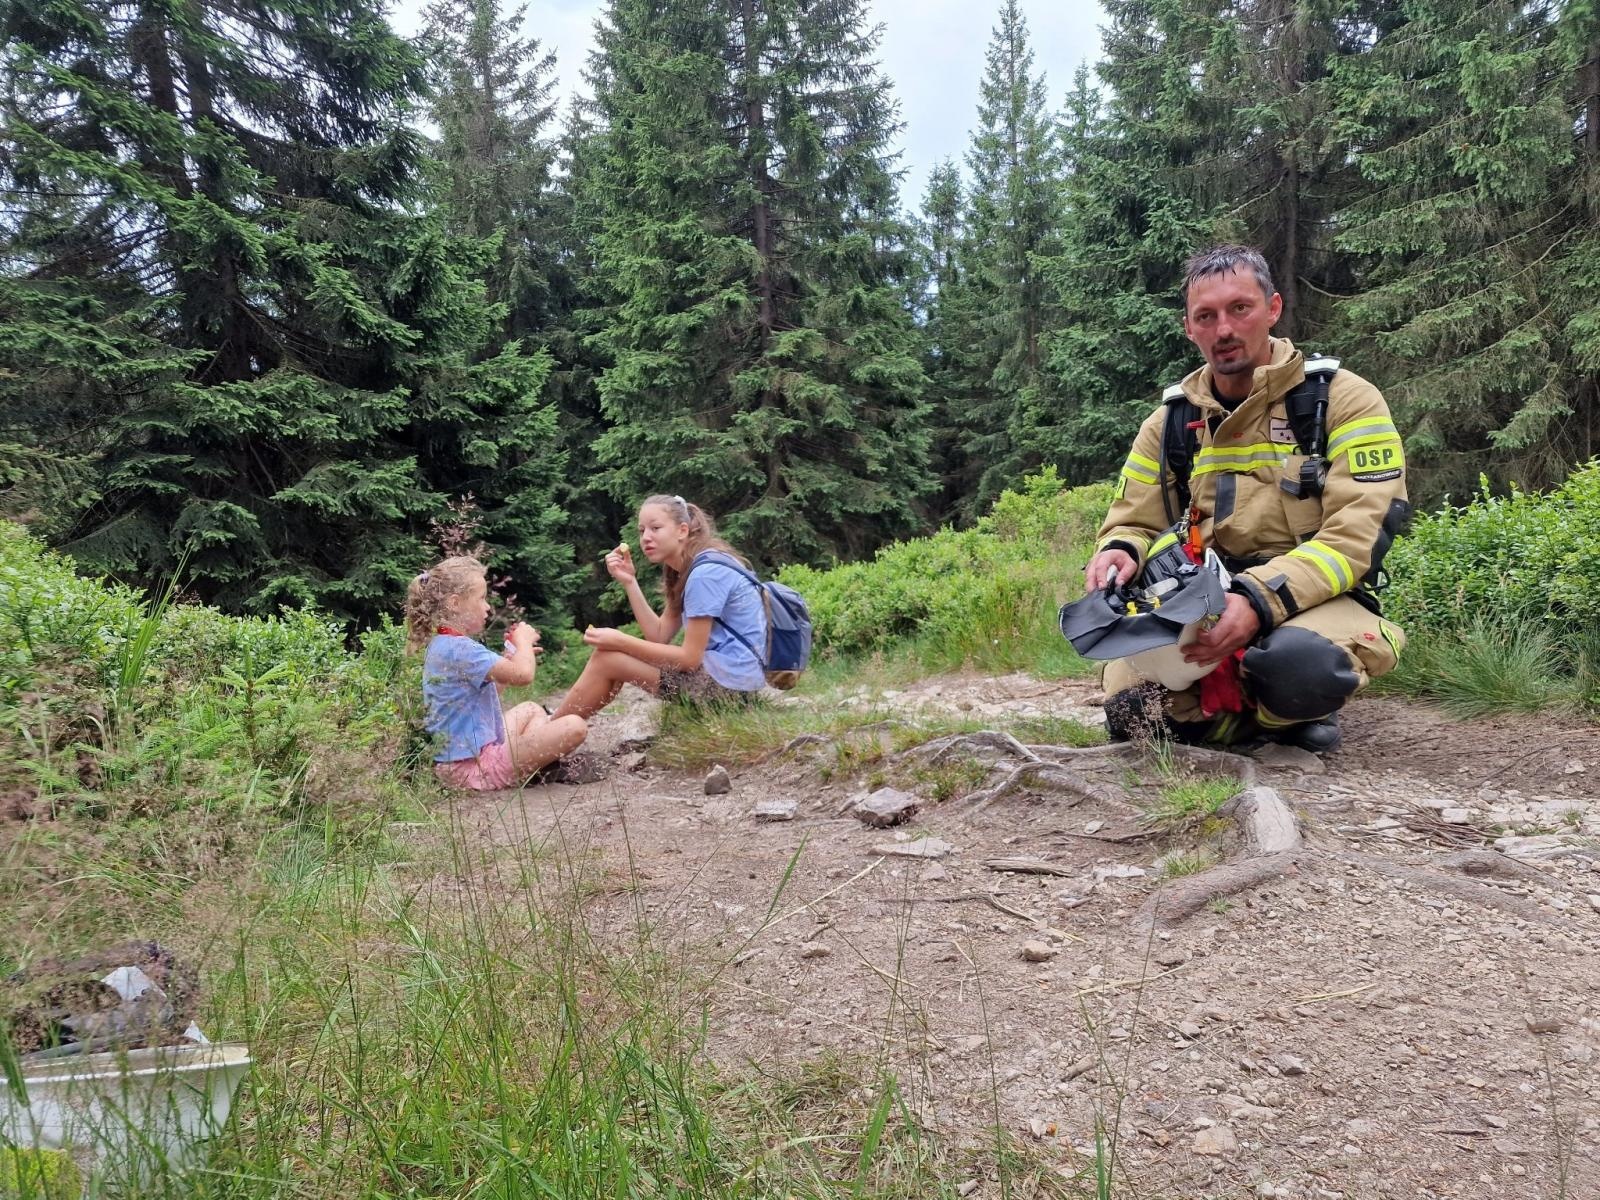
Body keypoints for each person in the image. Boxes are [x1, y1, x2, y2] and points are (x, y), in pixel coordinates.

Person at [1084, 245, 1410, 753]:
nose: (1225, 330)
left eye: (1241, 308)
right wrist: (1118, 552)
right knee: (1130, 709)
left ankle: (1284, 713)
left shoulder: (1343, 400)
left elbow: (1357, 535)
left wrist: (1259, 601)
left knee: (1300, 667)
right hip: (1197, 606)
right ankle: (1243, 716)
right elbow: (1133, 523)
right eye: (1206, 316)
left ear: (1273, 309)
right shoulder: (1169, 423)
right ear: (1189, 327)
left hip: (1311, 601)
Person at [550, 495, 767, 720]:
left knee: (609, 659)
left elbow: (689, 658)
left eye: (655, 528)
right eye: (642, 530)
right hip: (729, 679)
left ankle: (553, 728)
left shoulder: (705, 575)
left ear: (682, 530)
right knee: (610, 656)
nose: (646, 538)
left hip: (730, 690)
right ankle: (561, 724)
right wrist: (629, 581)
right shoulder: (686, 568)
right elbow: (659, 635)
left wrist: (620, 640)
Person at [405, 556, 598, 790]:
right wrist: (524, 642)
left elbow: (492, 688)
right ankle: (530, 766)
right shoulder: (461, 649)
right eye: (482, 598)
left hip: (460, 761)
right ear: (455, 603)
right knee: (575, 726)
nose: (487, 607)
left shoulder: (445, 644)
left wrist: (509, 658)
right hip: (473, 768)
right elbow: (524, 675)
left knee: (531, 709)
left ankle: (529, 762)